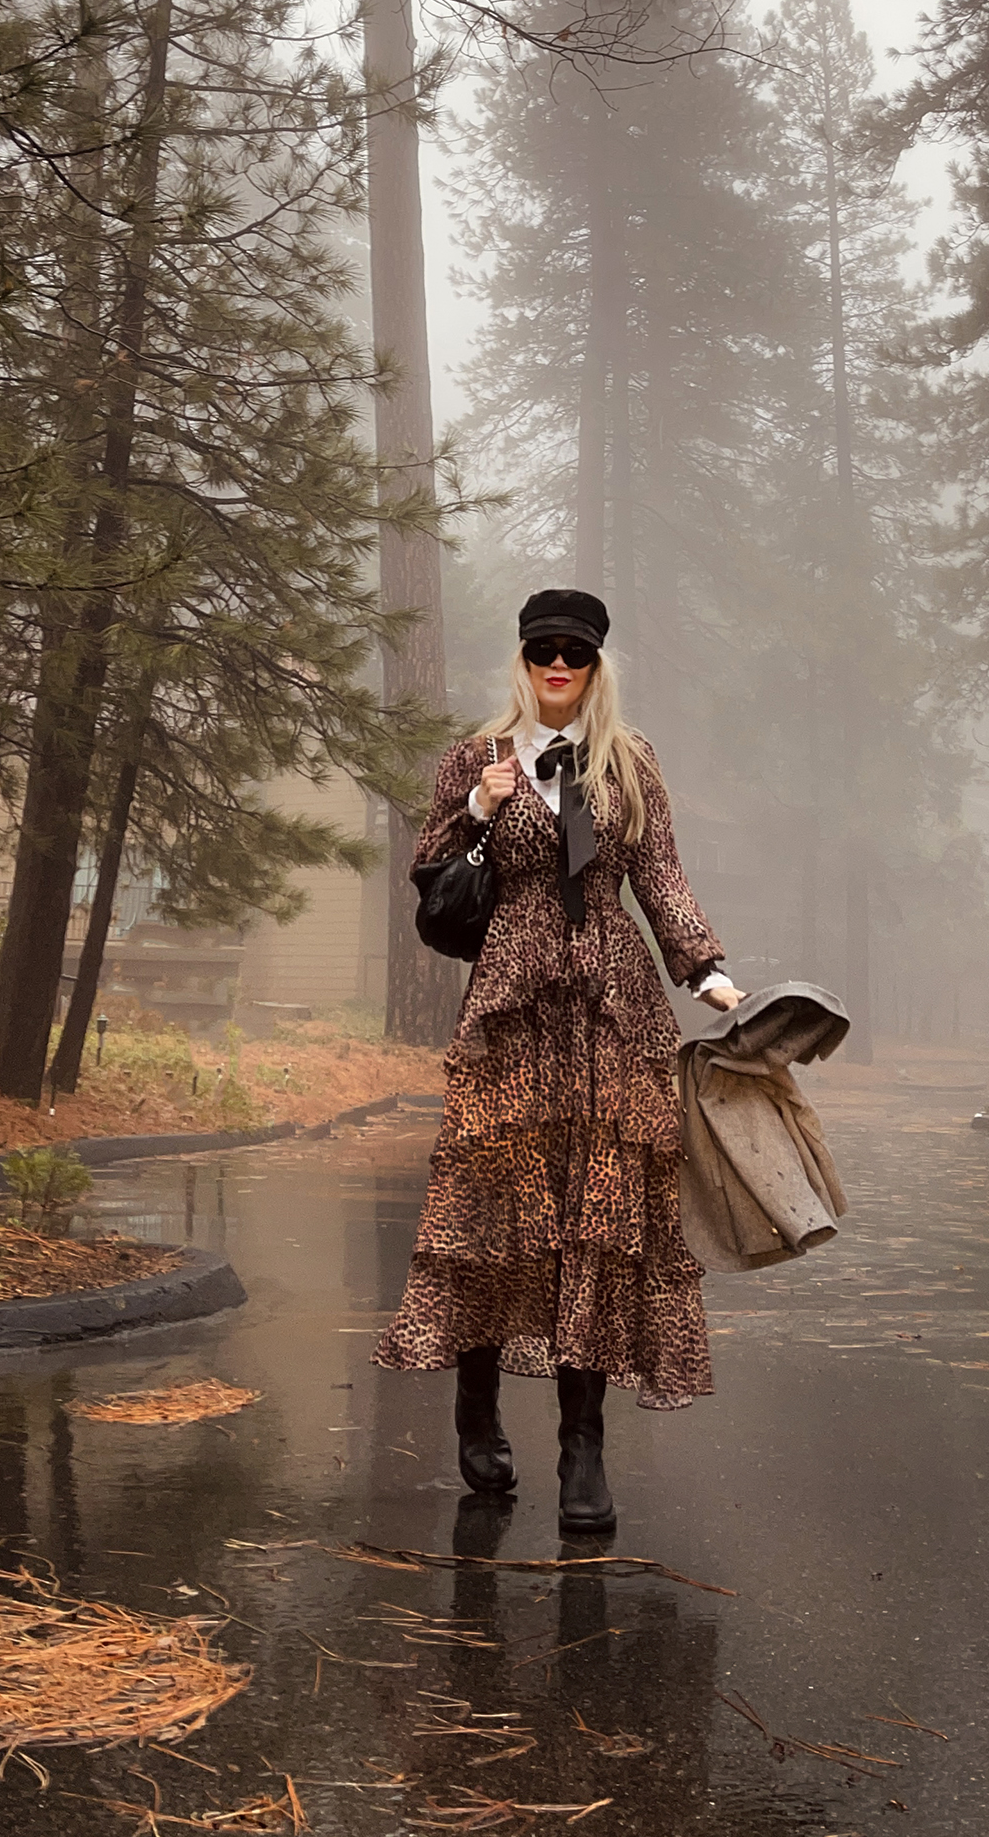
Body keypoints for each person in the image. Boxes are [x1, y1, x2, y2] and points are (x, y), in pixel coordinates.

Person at [375, 588, 744, 1536]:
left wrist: (704, 970)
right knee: (497, 1208)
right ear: (523, 659)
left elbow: (657, 872)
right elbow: (430, 867)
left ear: (595, 664)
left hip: (612, 1008)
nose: (557, 665)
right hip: (513, 1001)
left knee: (599, 1213)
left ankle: (584, 1447)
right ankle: (478, 1409)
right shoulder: (482, 755)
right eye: (542, 649)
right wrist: (476, 806)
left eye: (574, 653)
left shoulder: (630, 762)